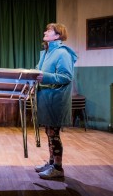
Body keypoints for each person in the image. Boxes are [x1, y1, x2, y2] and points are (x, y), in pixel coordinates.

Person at [34, 23, 77, 179]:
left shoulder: (62, 53)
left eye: (49, 30)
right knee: (49, 132)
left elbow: (66, 77)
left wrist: (43, 77)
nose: (45, 31)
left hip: (55, 99)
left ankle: (58, 168)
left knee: (54, 133)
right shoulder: (46, 52)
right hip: (46, 97)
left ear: (57, 36)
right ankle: (51, 163)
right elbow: (39, 71)